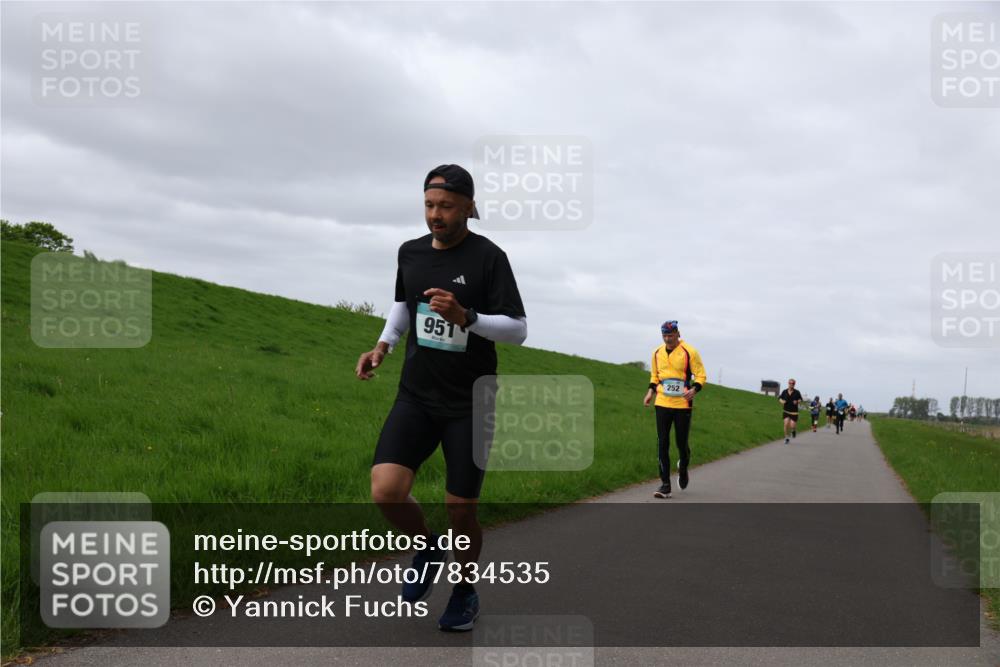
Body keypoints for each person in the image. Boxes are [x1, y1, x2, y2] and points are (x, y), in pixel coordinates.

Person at [355, 164, 527, 632]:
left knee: (461, 509)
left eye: (447, 206)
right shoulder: (410, 253)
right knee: (386, 490)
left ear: (469, 208)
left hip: (471, 402)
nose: (436, 215)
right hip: (417, 393)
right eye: (430, 205)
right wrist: (383, 346)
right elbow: (403, 304)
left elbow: (518, 330)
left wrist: (467, 317)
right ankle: (428, 548)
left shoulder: (490, 258)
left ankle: (465, 591)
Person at [643, 320, 707, 498]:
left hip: (682, 404)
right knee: (662, 443)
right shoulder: (656, 353)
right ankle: (665, 484)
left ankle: (684, 466)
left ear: (678, 334)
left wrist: (694, 389)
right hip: (662, 402)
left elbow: (700, 374)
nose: (667, 339)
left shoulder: (689, 352)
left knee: (681, 443)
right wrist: (650, 392)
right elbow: (655, 376)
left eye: (671, 335)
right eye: (664, 335)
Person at [779, 379, 803, 444]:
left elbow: (801, 399)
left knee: (792, 425)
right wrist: (782, 402)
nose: (791, 384)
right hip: (786, 411)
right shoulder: (784, 391)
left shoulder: (797, 392)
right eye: (790, 383)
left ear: (794, 384)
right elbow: (780, 398)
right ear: (788, 383)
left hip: (794, 412)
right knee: (786, 424)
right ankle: (786, 438)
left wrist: (797, 401)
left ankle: (793, 431)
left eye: (792, 383)